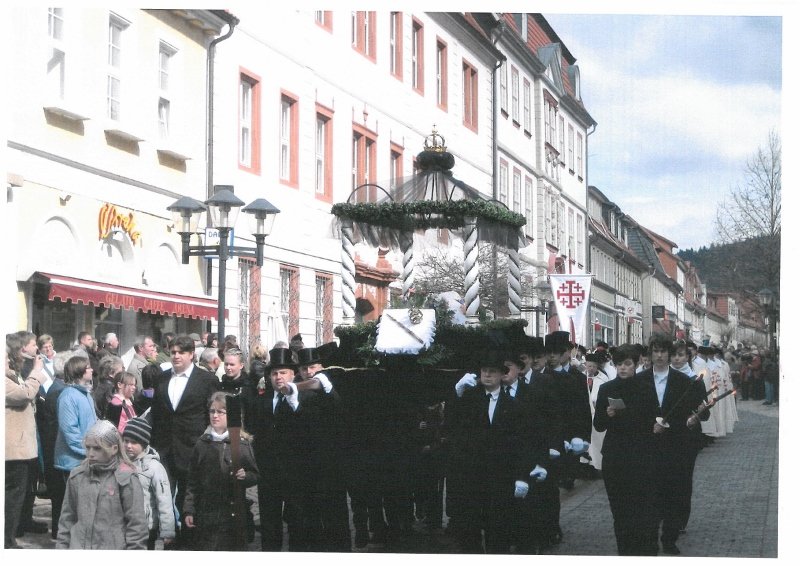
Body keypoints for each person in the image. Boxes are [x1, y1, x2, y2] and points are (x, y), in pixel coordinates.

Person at [638, 334, 709, 555]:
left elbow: (701, 413)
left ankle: (669, 538)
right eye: (655, 351)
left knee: (673, 493)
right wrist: (648, 426)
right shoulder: (638, 381)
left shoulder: (685, 382)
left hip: (676, 447)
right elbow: (633, 415)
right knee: (649, 494)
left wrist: (697, 415)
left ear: (670, 354)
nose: (659, 356)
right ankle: (649, 538)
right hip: (648, 447)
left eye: (663, 351)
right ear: (650, 353)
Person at [243, 347, 320, 551]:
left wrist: (294, 402)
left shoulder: (306, 398)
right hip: (268, 472)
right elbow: (254, 432)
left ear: (293, 375)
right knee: (269, 523)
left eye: (283, 372)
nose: (278, 377)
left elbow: (310, 431)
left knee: (298, 522)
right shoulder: (262, 400)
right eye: (274, 373)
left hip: (297, 473)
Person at [149, 335, 220, 549]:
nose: (176, 356)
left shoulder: (206, 379)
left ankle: (188, 544)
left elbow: (214, 413)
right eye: (173, 352)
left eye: (181, 352)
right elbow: (157, 413)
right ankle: (167, 540)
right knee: (162, 497)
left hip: (192, 448)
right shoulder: (161, 378)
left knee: (189, 500)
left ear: (192, 355)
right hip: (164, 448)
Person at [593, 343, 659, 556]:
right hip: (615, 457)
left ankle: (646, 550)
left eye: (627, 364)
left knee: (642, 507)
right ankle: (625, 552)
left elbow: (653, 420)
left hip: (641, 456)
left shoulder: (646, 388)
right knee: (620, 510)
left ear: (636, 364)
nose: (622, 368)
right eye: (619, 364)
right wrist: (607, 414)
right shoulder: (606, 389)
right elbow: (598, 425)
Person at [183, 392, 259, 551]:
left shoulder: (241, 444)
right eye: (212, 411)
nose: (215, 416)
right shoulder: (203, 443)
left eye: (220, 412)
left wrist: (246, 476)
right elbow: (192, 480)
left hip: (232, 513)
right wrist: (189, 509)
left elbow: (255, 474)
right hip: (206, 513)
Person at [56, 419, 148, 549]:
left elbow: (137, 525)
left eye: (97, 448)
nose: (91, 454)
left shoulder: (126, 478)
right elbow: (66, 520)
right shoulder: (77, 476)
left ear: (114, 448)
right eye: (88, 448)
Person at [5, 334, 48, 548]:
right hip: (13, 448)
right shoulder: (6, 378)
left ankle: (15, 529)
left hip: (23, 444)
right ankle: (7, 540)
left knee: (23, 491)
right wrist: (37, 373)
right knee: (12, 496)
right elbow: (24, 394)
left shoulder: (13, 374)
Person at [123, 416, 176, 550]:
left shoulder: (154, 467)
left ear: (144, 444)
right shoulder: (121, 465)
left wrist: (167, 530)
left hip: (147, 527)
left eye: (134, 442)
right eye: (126, 441)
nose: (128, 445)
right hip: (124, 524)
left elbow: (164, 500)